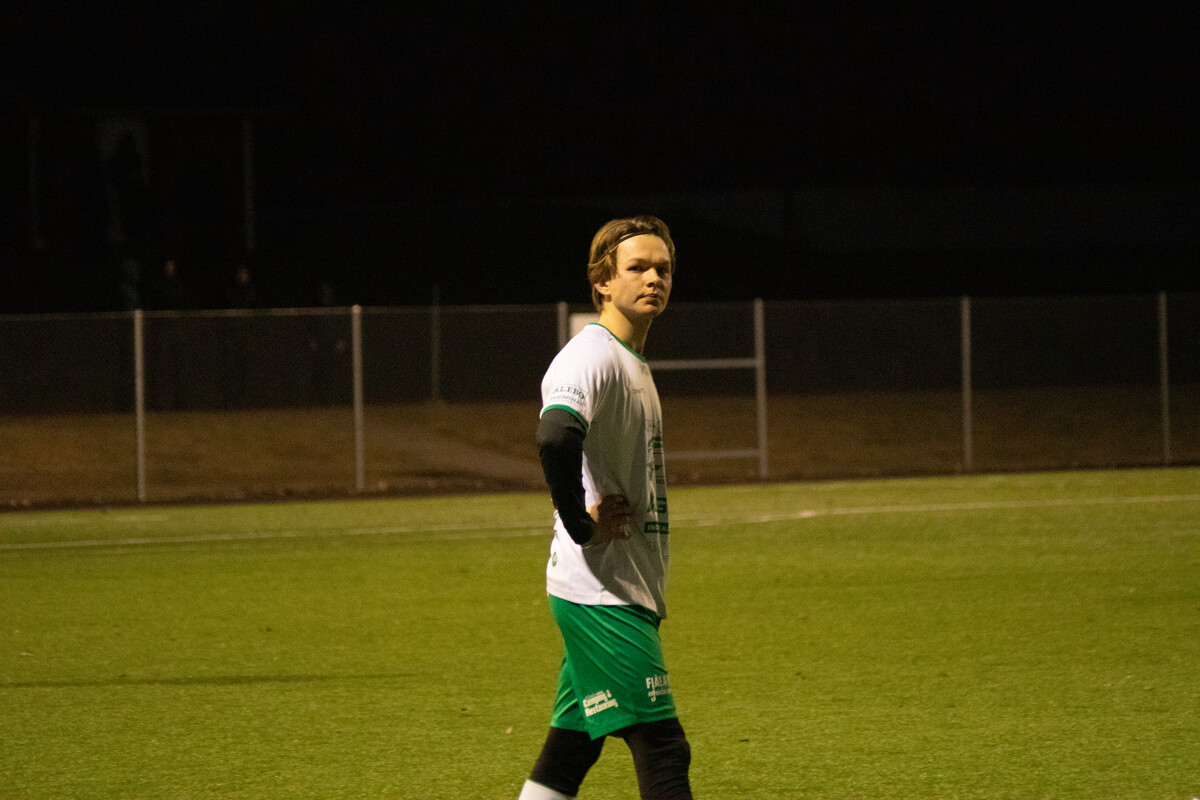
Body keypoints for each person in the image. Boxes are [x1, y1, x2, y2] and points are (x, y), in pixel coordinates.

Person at [519, 215, 693, 800]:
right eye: (637, 267)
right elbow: (555, 434)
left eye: (663, 269)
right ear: (602, 281)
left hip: (622, 583)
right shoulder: (590, 356)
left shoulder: (630, 358)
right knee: (663, 747)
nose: (653, 278)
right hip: (600, 593)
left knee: (571, 747)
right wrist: (581, 526)